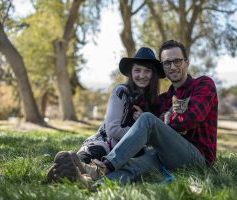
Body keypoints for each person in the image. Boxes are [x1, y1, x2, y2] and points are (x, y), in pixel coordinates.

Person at [49, 40, 218, 186]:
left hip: (198, 158)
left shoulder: (203, 84)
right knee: (135, 166)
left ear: (186, 62)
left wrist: (157, 122)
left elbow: (190, 118)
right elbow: (136, 108)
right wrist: (123, 93)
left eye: (177, 61)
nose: (172, 66)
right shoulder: (164, 99)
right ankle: (88, 181)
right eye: (167, 63)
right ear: (163, 67)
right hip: (166, 155)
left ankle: (102, 167)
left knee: (148, 120)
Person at [47, 47, 165, 183]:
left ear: (153, 74)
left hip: (130, 152)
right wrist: (142, 133)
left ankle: (75, 177)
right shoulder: (121, 92)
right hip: (105, 143)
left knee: (136, 162)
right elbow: (112, 130)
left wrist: (145, 123)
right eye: (137, 70)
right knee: (86, 158)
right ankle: (67, 169)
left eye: (147, 71)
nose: (142, 75)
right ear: (131, 73)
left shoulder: (156, 102)